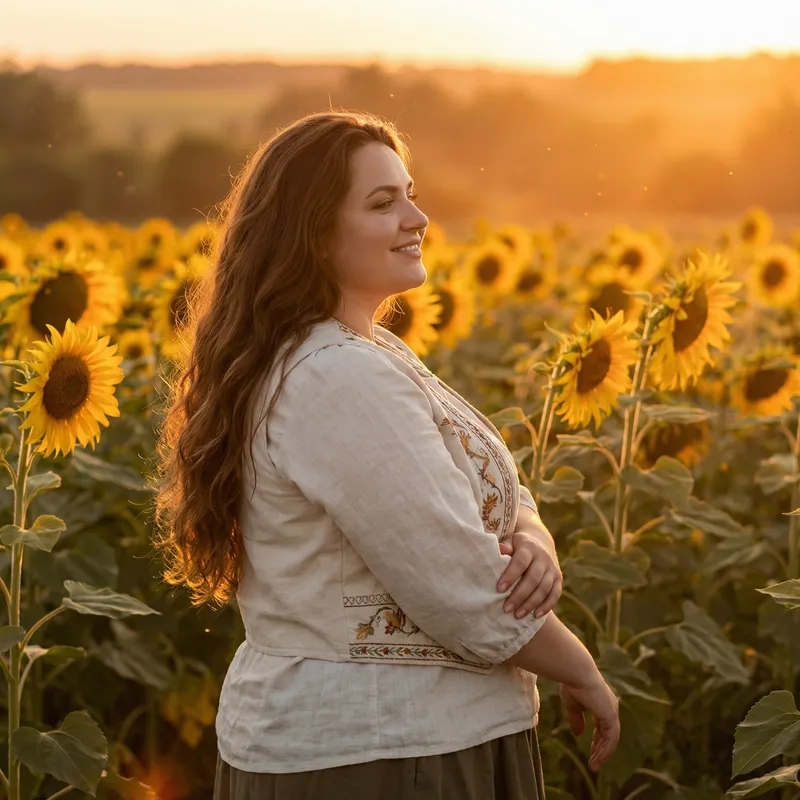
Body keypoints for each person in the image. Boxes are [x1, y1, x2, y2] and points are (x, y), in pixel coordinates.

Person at [152, 109, 620, 800]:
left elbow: (495, 491)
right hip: (379, 753)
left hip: (394, 742)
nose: (417, 218)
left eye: (409, 192)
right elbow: (459, 586)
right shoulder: (338, 375)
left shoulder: (363, 353)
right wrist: (581, 669)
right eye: (382, 202)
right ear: (311, 235)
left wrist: (531, 535)